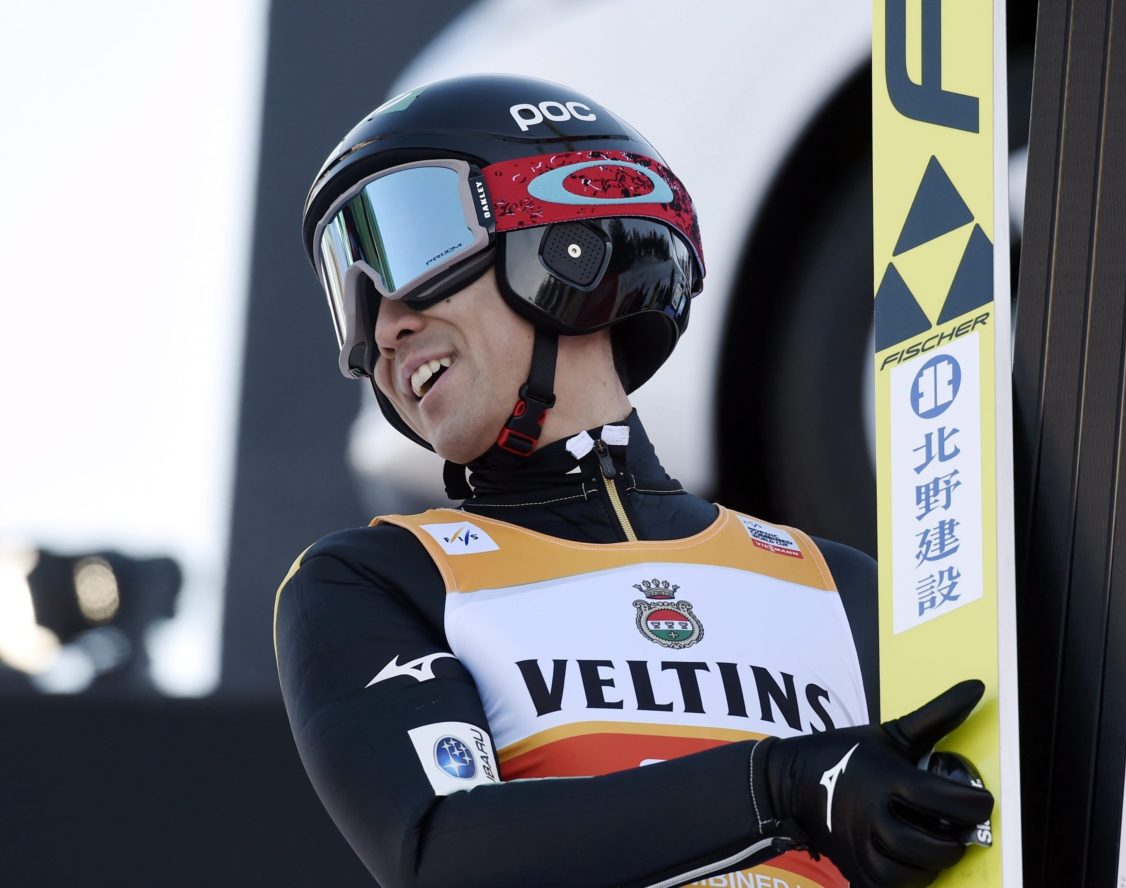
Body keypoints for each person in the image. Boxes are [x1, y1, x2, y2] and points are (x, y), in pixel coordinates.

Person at [274, 74, 993, 888]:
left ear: (566, 237)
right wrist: (780, 788)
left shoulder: (845, 589)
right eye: (349, 293)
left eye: (408, 244)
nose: (381, 325)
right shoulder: (384, 580)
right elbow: (445, 854)